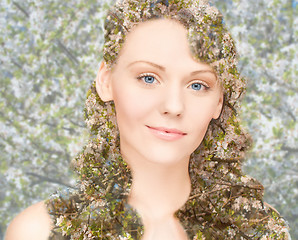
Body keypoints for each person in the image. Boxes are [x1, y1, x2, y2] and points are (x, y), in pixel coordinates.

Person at [5, 0, 291, 239]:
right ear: (106, 81)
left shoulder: (258, 229)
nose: (173, 106)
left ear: (219, 101)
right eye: (149, 78)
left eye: (197, 85)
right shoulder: (40, 232)